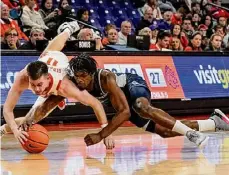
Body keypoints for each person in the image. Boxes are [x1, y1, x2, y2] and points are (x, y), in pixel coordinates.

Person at [66, 53, 229, 148]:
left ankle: (190, 134)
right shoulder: (74, 83)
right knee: (164, 132)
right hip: (123, 104)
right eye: (77, 76)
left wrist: (101, 135)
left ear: (92, 74)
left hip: (132, 85)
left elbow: (124, 112)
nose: (80, 80)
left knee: (141, 106)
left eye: (83, 76)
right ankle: (215, 122)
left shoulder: (106, 78)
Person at [2, 21, 114, 149]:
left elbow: (96, 103)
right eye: (33, 85)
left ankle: (67, 30)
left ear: (48, 78)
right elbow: (7, 109)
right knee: (29, 120)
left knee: (39, 113)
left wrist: (106, 132)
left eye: (39, 85)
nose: (36, 89)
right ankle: (2, 129)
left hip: (61, 71)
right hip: (48, 58)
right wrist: (15, 131)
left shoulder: (65, 86)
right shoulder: (22, 78)